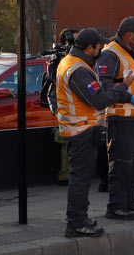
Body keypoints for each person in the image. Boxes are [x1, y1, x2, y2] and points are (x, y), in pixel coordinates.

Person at [56, 28, 133, 238]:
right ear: (90, 48)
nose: (101, 50)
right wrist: (124, 86)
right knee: (80, 179)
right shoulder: (78, 70)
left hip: (80, 129)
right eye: (99, 47)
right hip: (81, 131)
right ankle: (76, 223)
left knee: (81, 178)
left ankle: (80, 218)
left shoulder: (73, 63)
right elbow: (98, 99)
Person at [95, 17, 134, 221]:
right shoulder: (110, 54)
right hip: (121, 118)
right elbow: (104, 87)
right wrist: (130, 97)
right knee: (121, 164)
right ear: (129, 35)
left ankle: (130, 201)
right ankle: (116, 206)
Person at [49, 28, 79, 187]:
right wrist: (55, 108)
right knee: (64, 143)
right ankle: (65, 175)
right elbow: (52, 86)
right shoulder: (59, 61)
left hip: (77, 109)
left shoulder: (78, 60)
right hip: (64, 106)